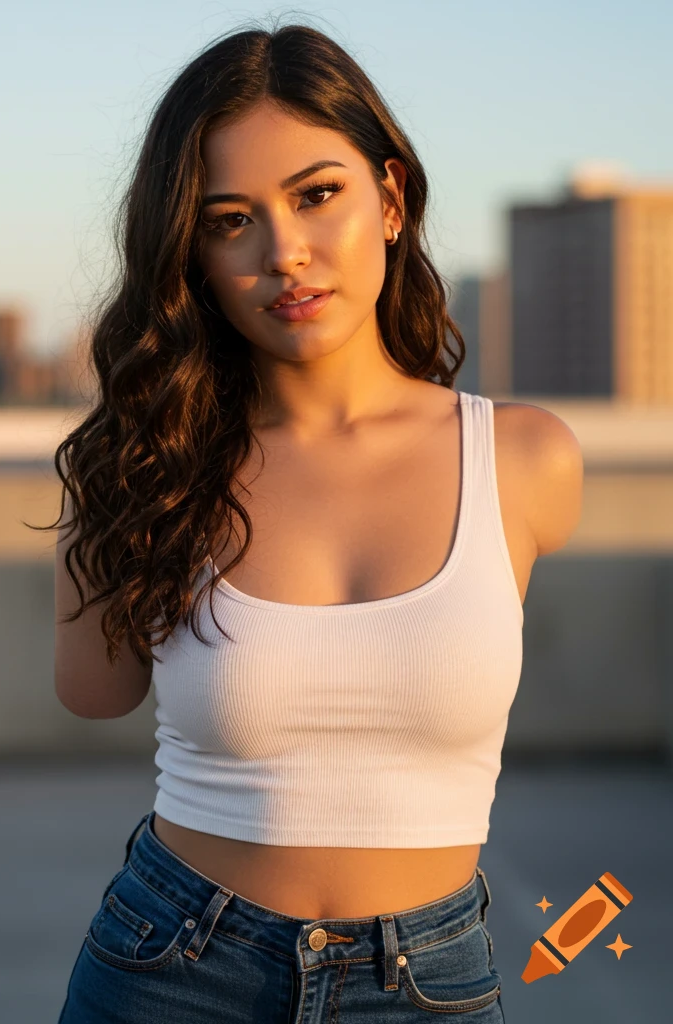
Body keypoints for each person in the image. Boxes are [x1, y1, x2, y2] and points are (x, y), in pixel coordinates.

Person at [50, 19, 582, 1023]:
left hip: (426, 979)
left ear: (388, 199)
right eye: (228, 220)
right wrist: (112, 467)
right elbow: (91, 693)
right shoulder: (152, 462)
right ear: (192, 254)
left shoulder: (524, 459)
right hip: (172, 964)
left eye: (315, 195)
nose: (283, 253)